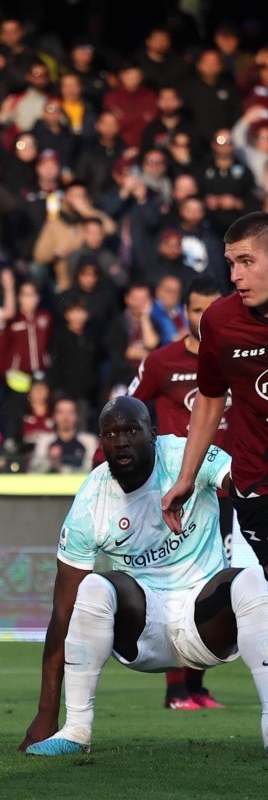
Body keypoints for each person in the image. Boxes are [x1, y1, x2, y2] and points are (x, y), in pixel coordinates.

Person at [22, 396, 268, 756]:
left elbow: (243, 482)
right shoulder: (92, 500)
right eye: (110, 433)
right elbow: (62, 613)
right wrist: (45, 711)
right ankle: (74, 730)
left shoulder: (185, 456)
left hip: (206, 623)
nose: (121, 441)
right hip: (143, 634)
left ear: (153, 433)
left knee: (251, 581)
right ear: (101, 441)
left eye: (131, 431)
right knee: (91, 586)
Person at [129, 275, 228, 710]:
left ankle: (199, 686)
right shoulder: (162, 361)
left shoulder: (232, 358)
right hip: (177, 491)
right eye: (195, 309)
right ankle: (175, 690)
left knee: (213, 587)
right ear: (183, 311)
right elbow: (129, 408)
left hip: (226, 490)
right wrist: (108, 465)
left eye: (210, 309)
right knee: (173, 586)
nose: (202, 317)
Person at [163, 212, 268, 572]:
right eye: (231, 263)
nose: (235, 275)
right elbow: (209, 399)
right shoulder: (219, 322)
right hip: (257, 482)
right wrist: (186, 477)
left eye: (247, 261)